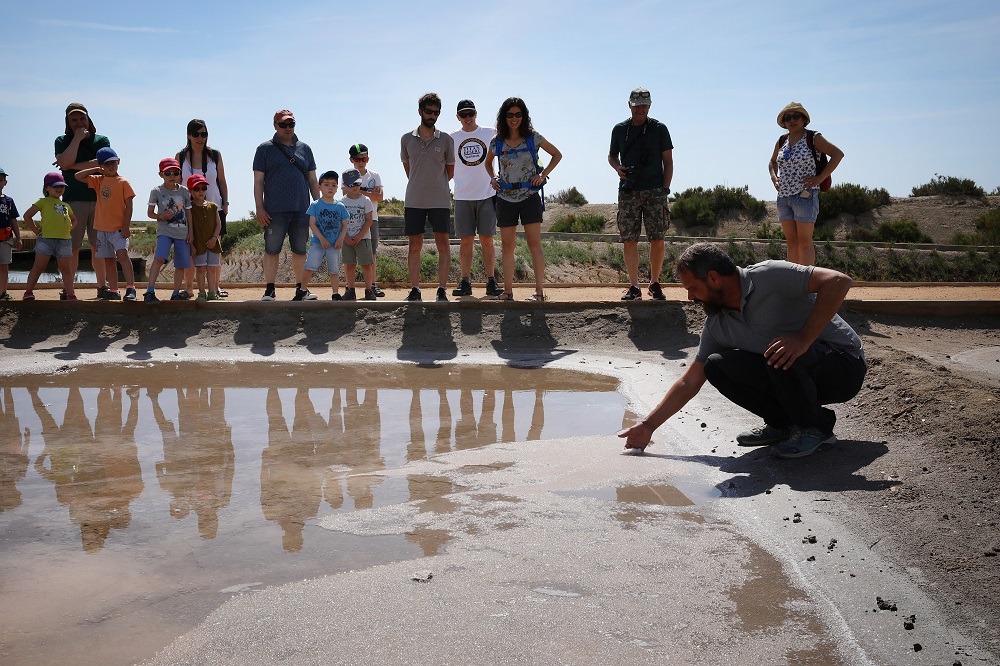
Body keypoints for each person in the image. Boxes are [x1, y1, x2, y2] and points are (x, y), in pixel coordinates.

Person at [618, 243, 867, 459]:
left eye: (692, 288)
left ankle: (817, 429)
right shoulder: (718, 323)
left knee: (778, 352)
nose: (691, 297)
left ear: (713, 278)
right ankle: (784, 424)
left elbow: (838, 281)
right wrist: (648, 426)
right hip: (792, 370)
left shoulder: (769, 275)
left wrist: (803, 338)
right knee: (717, 365)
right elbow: (690, 381)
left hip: (844, 366)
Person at [485, 96, 562, 301]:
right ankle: (508, 292)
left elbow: (557, 154)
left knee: (534, 243)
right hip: (505, 197)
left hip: (529, 196)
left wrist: (542, 175)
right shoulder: (497, 141)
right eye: (510, 115)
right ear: (504, 117)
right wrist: (493, 178)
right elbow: (488, 162)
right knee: (508, 246)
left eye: (518, 114)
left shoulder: (533, 137)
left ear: (523, 116)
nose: (514, 118)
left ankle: (539, 292)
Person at [608, 87, 673, 301]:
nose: (640, 109)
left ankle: (654, 283)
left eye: (644, 105)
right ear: (629, 105)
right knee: (629, 239)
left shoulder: (659, 129)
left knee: (657, 238)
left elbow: (668, 161)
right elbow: (611, 156)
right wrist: (619, 169)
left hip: (655, 190)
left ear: (650, 106)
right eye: (637, 105)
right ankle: (634, 286)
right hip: (629, 190)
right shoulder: (619, 129)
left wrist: (665, 188)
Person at [253, 109, 320, 302]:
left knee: (300, 250)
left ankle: (301, 289)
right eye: (283, 124)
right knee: (271, 250)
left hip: (301, 208)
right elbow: (258, 182)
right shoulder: (264, 149)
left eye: (291, 124)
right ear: (275, 126)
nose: (288, 128)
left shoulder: (305, 149)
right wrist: (259, 208)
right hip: (274, 210)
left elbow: (312, 180)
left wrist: (317, 207)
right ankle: (270, 290)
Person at [768, 102, 844, 266]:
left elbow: (838, 154)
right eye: (788, 117)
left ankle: (807, 283)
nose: (792, 120)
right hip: (784, 197)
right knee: (791, 242)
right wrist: (775, 178)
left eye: (796, 116)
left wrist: (820, 178)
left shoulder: (813, 137)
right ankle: (793, 281)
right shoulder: (782, 141)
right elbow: (772, 162)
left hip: (805, 195)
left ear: (804, 119)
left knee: (804, 241)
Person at [400, 93, 455, 302]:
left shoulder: (447, 140)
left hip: (440, 200)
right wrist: (421, 182)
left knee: (443, 245)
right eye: (429, 111)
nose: (432, 115)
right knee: (414, 246)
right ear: (420, 111)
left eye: (436, 112)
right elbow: (409, 169)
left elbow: (450, 171)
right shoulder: (406, 139)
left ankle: (442, 289)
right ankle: (415, 288)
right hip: (414, 200)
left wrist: (435, 185)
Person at [54, 103, 112, 297]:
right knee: (73, 247)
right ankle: (68, 289)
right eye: (74, 119)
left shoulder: (101, 140)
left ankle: (102, 287)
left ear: (88, 119)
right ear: (68, 122)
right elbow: (64, 163)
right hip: (72, 200)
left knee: (99, 247)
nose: (79, 122)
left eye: (82, 118)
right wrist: (77, 140)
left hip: (99, 200)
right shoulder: (62, 140)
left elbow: (102, 166)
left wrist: (70, 166)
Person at [450, 99, 502, 298]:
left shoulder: (490, 133)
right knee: (466, 241)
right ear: (458, 117)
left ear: (476, 114)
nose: (468, 118)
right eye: (463, 115)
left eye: (470, 113)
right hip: (462, 196)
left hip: (487, 194)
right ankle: (465, 281)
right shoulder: (451, 138)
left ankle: (491, 281)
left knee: (487, 239)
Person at [74, 147, 137, 301]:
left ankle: (131, 288)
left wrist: (126, 226)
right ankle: (114, 290)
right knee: (109, 260)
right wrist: (96, 168)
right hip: (102, 229)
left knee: (122, 255)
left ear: (118, 161)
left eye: (112, 162)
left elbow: (129, 206)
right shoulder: (99, 180)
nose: (110, 166)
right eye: (106, 164)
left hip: (118, 229)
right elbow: (78, 176)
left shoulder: (123, 182)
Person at [178, 119, 230, 297]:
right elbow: (176, 184)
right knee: (190, 248)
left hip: (213, 208)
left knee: (215, 247)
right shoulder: (181, 156)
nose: (200, 138)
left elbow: (221, 180)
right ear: (189, 136)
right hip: (188, 210)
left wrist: (225, 203)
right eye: (196, 134)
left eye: (204, 134)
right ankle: (189, 288)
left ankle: (215, 287)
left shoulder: (215, 155)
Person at [20, 172, 78, 301]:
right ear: (47, 188)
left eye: (62, 186)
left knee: (66, 269)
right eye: (55, 186)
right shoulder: (42, 201)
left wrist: (69, 228)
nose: (59, 189)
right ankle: (28, 292)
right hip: (46, 240)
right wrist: (35, 230)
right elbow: (27, 215)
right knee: (39, 267)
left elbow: (74, 220)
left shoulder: (66, 205)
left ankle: (70, 294)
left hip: (64, 241)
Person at [144, 158, 193, 302]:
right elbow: (150, 213)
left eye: (175, 172)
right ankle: (150, 291)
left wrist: (191, 232)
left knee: (181, 265)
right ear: (161, 174)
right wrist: (162, 216)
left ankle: (176, 293)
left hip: (182, 234)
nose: (172, 176)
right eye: (168, 173)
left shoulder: (184, 191)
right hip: (165, 232)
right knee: (159, 258)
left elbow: (189, 213)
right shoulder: (157, 191)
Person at [303, 170, 349, 300]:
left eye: (334, 185)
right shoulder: (316, 205)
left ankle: (335, 292)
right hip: (318, 243)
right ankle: (301, 290)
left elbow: (345, 224)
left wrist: (341, 238)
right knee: (309, 266)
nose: (330, 188)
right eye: (327, 184)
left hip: (334, 244)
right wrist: (321, 238)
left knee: (334, 270)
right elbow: (312, 223)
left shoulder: (340, 206)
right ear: (319, 186)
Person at [348, 143, 385, 297]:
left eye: (363, 158)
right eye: (357, 159)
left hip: (372, 218)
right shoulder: (348, 175)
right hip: (352, 220)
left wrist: (360, 190)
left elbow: (380, 197)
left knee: (372, 254)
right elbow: (349, 194)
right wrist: (369, 192)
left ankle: (372, 285)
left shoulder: (374, 175)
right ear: (351, 160)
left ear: (368, 159)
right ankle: (350, 287)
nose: (360, 162)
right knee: (351, 255)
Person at [339, 169, 376, 301]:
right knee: (349, 265)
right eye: (351, 184)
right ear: (344, 185)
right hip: (347, 238)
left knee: (366, 264)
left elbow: (369, 220)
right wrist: (346, 237)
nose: (354, 187)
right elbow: (340, 222)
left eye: (357, 183)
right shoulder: (342, 202)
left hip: (363, 238)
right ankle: (350, 290)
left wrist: (360, 235)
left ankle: (369, 289)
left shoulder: (366, 200)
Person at [185, 174, 223, 301]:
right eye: (197, 189)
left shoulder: (213, 206)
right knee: (200, 269)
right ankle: (201, 293)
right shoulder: (189, 208)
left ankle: (212, 292)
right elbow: (188, 229)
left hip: (213, 244)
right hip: (198, 244)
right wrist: (191, 245)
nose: (201, 191)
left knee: (212, 269)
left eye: (203, 188)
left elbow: (218, 224)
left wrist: (214, 238)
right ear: (190, 191)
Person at [0, 167, 22, 300]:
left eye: (0, 179)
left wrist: (18, 237)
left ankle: (2, 293)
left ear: (5, 182)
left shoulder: (9, 201)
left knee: (4, 266)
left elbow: (13, 220)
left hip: (5, 239)